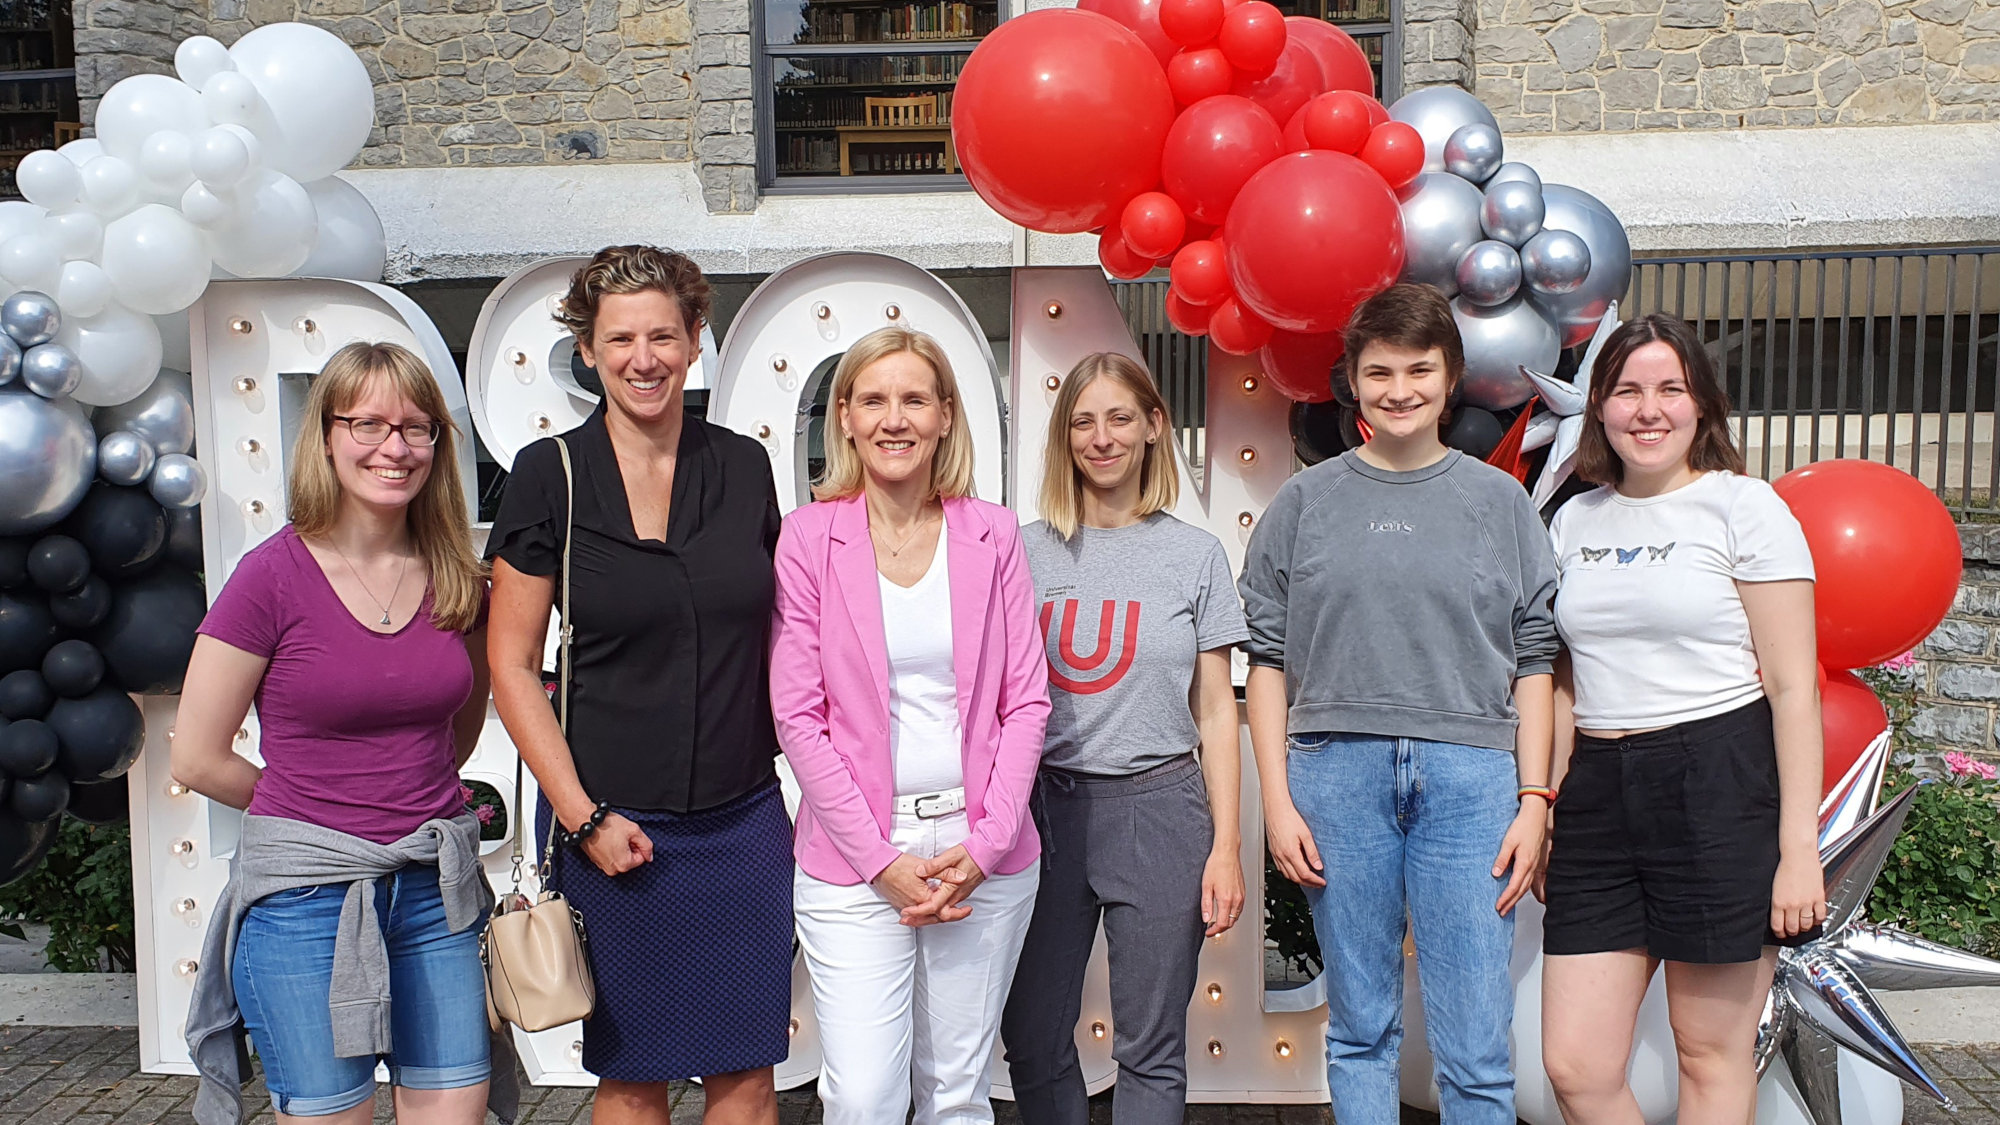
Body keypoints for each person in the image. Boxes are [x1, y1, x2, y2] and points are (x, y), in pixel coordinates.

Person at [485, 245, 791, 1125]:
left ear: (697, 341)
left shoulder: (743, 467)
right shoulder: (552, 474)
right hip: (611, 826)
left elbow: (781, 634)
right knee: (632, 1076)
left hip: (742, 820)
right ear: (587, 350)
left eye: (664, 334)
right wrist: (581, 816)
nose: (643, 357)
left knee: (748, 1074)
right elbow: (509, 663)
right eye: (620, 339)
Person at [1241, 283, 1558, 1125]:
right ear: (1354, 381)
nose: (1400, 387)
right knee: (1360, 1029)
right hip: (1334, 776)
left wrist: (1535, 800)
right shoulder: (1304, 505)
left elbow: (1536, 660)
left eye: (1420, 368)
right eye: (1379, 371)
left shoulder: (1502, 503)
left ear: (1450, 377)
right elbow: (1265, 660)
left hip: (1473, 780)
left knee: (1477, 1047)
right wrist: (1275, 799)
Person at [175, 341, 498, 1125]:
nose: (394, 447)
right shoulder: (270, 577)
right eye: (370, 424)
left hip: (434, 893)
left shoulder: (459, 575)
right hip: (305, 902)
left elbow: (451, 735)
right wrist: (310, 810)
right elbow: (195, 753)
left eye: (416, 428)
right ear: (325, 434)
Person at [1538, 315, 1827, 1125]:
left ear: (1703, 405)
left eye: (1671, 388)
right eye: (1627, 390)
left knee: (1708, 1053)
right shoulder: (1572, 520)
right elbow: (1565, 679)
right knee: (1576, 1063)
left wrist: (1798, 850)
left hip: (1718, 783)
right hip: (1598, 793)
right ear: (1598, 408)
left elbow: (1793, 687)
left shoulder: (1745, 507)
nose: (1648, 409)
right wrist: (1550, 799)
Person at [769, 325, 1050, 1125]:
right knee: (863, 1096)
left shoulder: (991, 532)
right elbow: (798, 715)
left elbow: (1026, 699)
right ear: (848, 419)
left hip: (981, 852)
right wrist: (880, 861)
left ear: (945, 417)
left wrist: (988, 844)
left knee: (958, 1093)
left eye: (915, 399)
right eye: (874, 399)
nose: (895, 419)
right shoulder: (808, 538)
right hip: (855, 858)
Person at [1000, 352, 1249, 1125]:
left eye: (1118, 417)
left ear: (1152, 427)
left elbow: (1216, 706)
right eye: (1082, 420)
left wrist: (1226, 846)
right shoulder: (1021, 549)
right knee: (1033, 1038)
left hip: (1161, 809)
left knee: (1151, 1045)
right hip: (1040, 811)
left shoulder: (1194, 555)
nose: (1100, 437)